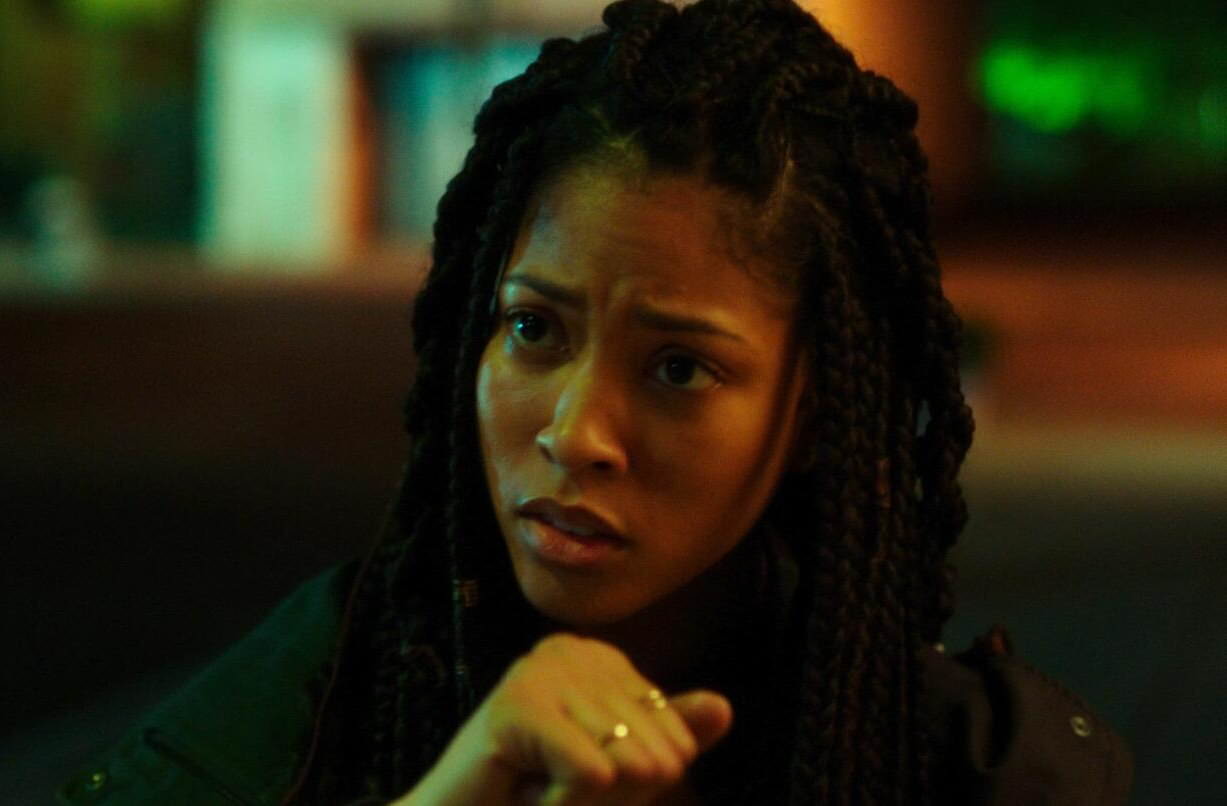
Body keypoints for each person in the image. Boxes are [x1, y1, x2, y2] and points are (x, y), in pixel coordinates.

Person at [58, 1, 1133, 804]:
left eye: (679, 369)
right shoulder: (329, 683)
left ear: (812, 414)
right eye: (534, 328)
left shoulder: (981, 769)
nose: (574, 433)